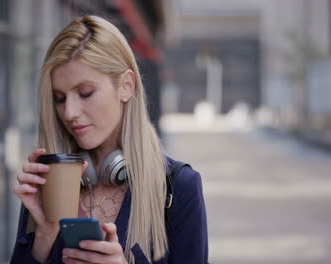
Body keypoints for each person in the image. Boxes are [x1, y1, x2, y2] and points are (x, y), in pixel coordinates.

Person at [11, 15, 208, 264]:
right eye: (60, 98)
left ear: (126, 86)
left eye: (85, 93)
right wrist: (43, 237)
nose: (69, 112)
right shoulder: (50, 183)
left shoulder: (178, 188)